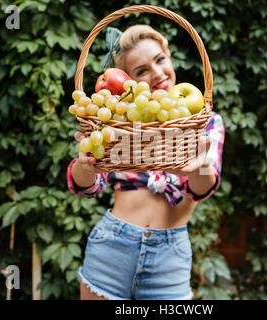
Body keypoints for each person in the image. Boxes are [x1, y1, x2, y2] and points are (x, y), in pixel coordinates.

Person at [67, 25, 225, 300]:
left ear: (169, 57)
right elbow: (89, 186)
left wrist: (195, 166)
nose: (157, 74)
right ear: (129, 80)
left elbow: (203, 189)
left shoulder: (204, 121)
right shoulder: (120, 121)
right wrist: (85, 167)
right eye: (141, 71)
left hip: (170, 253)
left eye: (160, 60)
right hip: (111, 246)